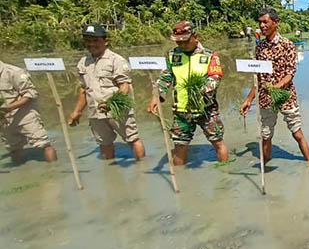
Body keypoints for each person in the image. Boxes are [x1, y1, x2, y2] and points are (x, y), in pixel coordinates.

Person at [146, 20, 228, 165]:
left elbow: (215, 78)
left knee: (217, 141)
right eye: (178, 42)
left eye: (185, 41)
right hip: (181, 110)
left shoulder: (210, 56)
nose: (181, 45)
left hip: (206, 109)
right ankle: (180, 178)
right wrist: (155, 97)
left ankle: (225, 174)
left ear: (195, 36)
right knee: (179, 145)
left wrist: (201, 90)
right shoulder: (172, 55)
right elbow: (165, 78)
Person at [240, 8, 309, 162]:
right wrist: (248, 100)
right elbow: (258, 77)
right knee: (265, 135)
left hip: (285, 95)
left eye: (265, 22)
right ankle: (266, 168)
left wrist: (278, 86)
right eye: (260, 22)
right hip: (266, 98)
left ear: (275, 23)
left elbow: (290, 72)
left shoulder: (287, 45)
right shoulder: (259, 47)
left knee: (297, 133)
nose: (262, 25)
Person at [68, 24, 145, 160]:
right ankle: (110, 174)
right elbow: (84, 89)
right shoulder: (83, 62)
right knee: (104, 143)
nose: (92, 44)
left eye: (96, 40)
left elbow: (124, 86)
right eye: (88, 40)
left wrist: (111, 104)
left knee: (132, 139)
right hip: (95, 112)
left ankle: (141, 171)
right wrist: (77, 111)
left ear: (105, 41)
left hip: (117, 110)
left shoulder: (116, 60)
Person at [0, 60, 57, 163]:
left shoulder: (14, 72)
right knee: (14, 149)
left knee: (44, 144)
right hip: (4, 120)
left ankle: (54, 169)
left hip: (25, 115)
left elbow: (31, 93)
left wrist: (10, 107)